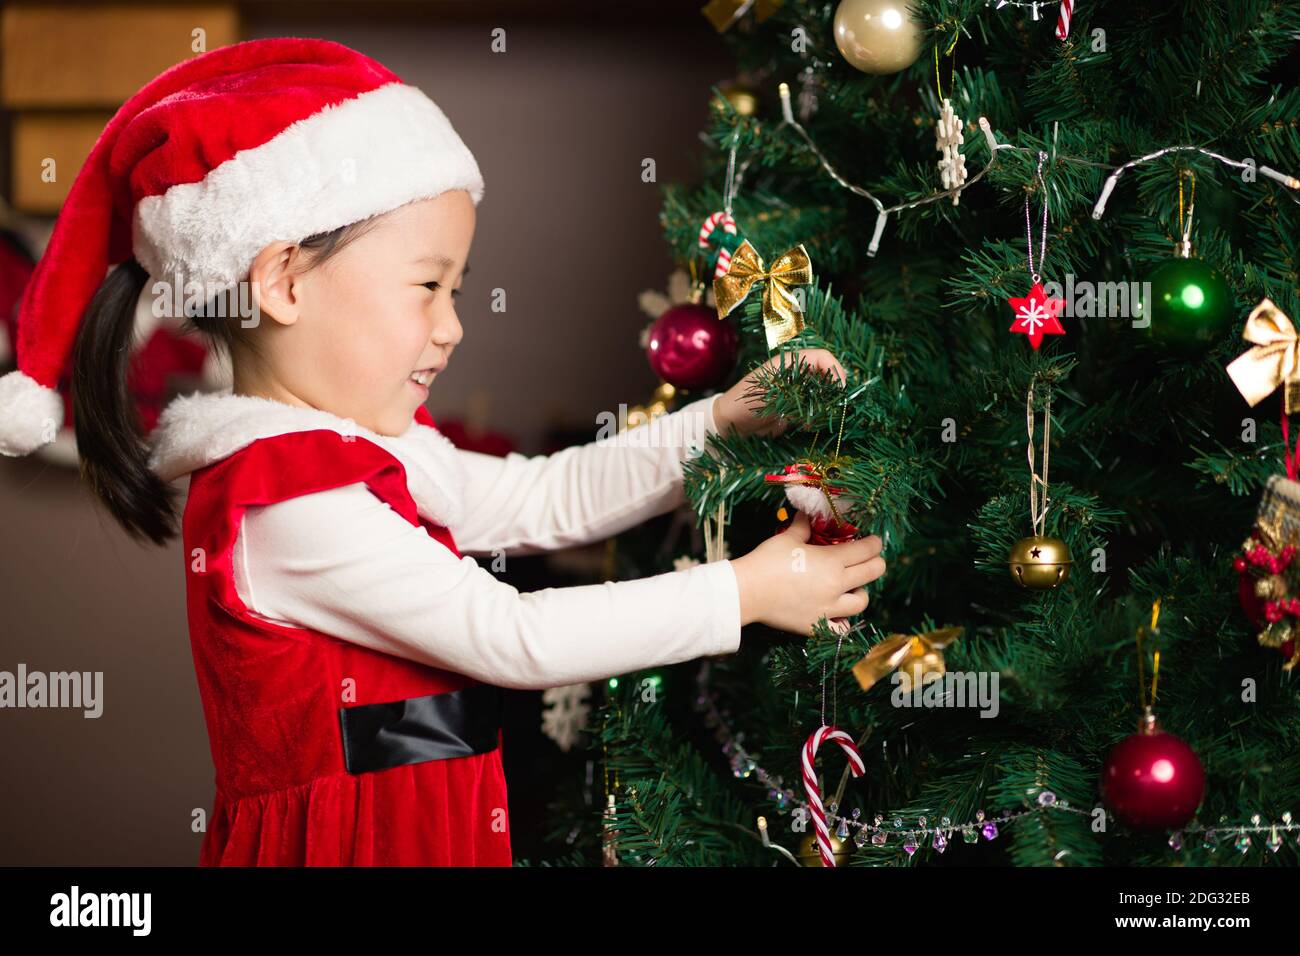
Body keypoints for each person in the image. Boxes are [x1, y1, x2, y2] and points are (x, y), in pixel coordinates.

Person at [0, 37, 886, 866]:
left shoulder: (361, 446)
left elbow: (545, 498)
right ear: (282, 283)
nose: (453, 326)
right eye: (427, 286)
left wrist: (721, 421)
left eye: (455, 290)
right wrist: (746, 591)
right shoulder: (287, 501)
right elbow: (512, 636)